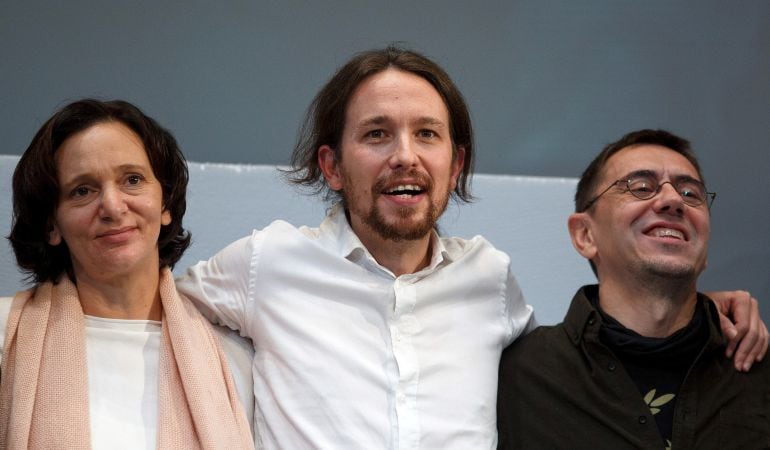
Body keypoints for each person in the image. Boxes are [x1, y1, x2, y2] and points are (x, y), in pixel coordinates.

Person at [176, 47, 765, 449]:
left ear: (454, 164)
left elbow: (595, 338)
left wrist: (694, 307)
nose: (405, 154)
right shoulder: (267, 263)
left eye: (427, 134)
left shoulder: (491, 279)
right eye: (376, 133)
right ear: (331, 164)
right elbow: (141, 306)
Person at [0, 99, 255, 449]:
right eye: (82, 190)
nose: (112, 206)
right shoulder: (6, 337)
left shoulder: (232, 357)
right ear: (51, 225)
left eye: (132, 180)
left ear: (164, 204)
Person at [497, 129, 770, 449]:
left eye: (691, 193)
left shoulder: (759, 374)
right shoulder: (514, 377)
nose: (672, 200)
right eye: (641, 187)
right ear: (585, 234)